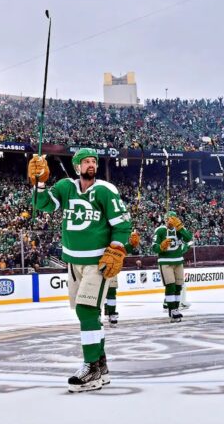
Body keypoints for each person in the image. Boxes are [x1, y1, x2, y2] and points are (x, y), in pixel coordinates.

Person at [28, 148, 132, 393]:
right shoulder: (65, 187)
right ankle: (101, 366)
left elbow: (122, 223)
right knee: (87, 314)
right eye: (85, 162)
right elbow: (43, 206)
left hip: (98, 262)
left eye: (93, 161)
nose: (90, 165)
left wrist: (116, 248)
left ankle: (91, 367)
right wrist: (39, 183)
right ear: (77, 166)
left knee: (87, 310)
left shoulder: (106, 190)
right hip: (73, 262)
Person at [152, 210, 193, 322]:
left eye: (173, 219)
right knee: (170, 286)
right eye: (169, 219)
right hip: (165, 262)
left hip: (178, 261)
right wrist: (161, 247)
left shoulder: (179, 230)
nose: (170, 221)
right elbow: (154, 247)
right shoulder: (160, 230)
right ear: (165, 219)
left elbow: (189, 238)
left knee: (179, 286)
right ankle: (172, 309)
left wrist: (180, 228)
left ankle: (175, 308)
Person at [104, 230, 141, 326]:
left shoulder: (113, 234)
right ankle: (100, 314)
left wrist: (132, 245)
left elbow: (122, 249)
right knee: (98, 293)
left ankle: (111, 313)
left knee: (111, 291)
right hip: (96, 265)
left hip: (111, 266)